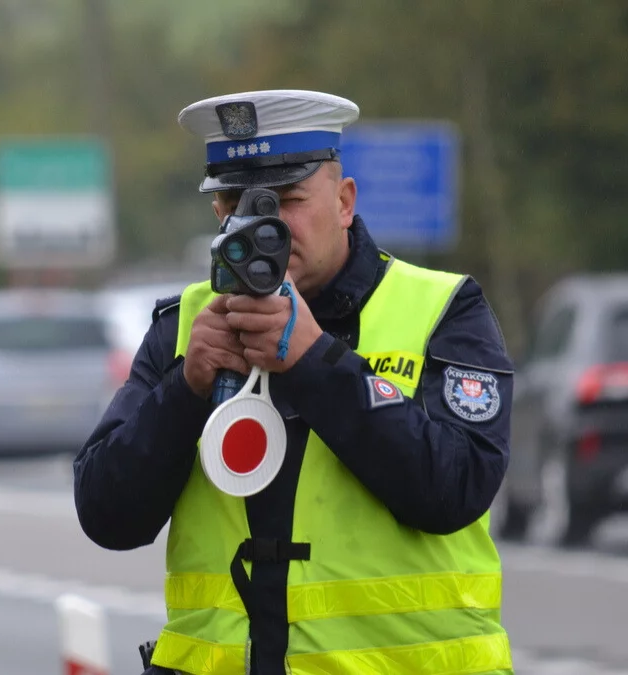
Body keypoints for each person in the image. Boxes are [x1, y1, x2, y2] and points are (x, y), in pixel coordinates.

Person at [73, 90, 516, 675]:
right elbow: (107, 516)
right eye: (238, 203)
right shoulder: (185, 326)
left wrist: (317, 362)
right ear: (217, 215)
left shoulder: (441, 309)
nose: (263, 228)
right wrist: (186, 387)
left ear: (344, 201)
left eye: (286, 201)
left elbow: (455, 487)